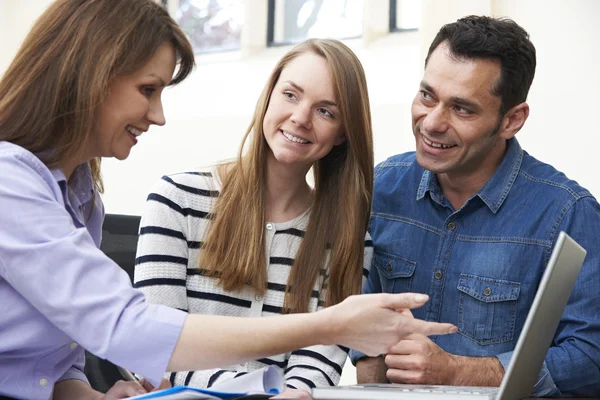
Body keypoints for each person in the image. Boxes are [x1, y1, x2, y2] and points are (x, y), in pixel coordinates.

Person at [0, 0, 458, 399]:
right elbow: (132, 332)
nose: (159, 115)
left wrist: (80, 393)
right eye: (148, 89)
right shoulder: (11, 181)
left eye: (325, 110)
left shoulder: (81, 197)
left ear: (343, 132)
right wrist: (332, 325)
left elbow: (54, 361)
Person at [351, 15, 600, 398]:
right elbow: (360, 318)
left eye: (462, 109)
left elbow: (590, 358)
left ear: (511, 120)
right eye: (427, 96)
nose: (431, 123)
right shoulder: (381, 186)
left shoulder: (569, 213)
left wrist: (455, 371)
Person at [134, 38, 378, 398]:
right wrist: (253, 394)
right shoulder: (177, 200)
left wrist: (291, 394)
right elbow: (157, 347)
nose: (300, 118)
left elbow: (320, 359)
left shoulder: (349, 240)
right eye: (291, 95)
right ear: (269, 96)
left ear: (343, 133)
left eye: (326, 111)